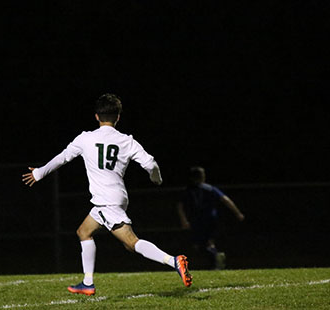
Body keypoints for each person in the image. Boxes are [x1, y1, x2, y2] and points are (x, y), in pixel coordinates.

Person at [22, 93, 192, 295]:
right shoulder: (127, 141)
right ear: (118, 117)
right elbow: (150, 163)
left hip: (106, 201)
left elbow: (63, 158)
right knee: (84, 232)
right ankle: (87, 283)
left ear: (96, 116)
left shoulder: (86, 138)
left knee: (131, 243)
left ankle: (173, 261)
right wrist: (156, 178)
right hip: (115, 198)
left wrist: (39, 173)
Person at [177, 166, 244, 270]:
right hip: (208, 219)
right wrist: (237, 212)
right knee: (206, 244)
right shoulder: (206, 189)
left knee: (201, 244)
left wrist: (183, 220)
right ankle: (215, 260)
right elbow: (225, 200)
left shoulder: (190, 190)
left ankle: (215, 261)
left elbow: (180, 206)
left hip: (199, 220)